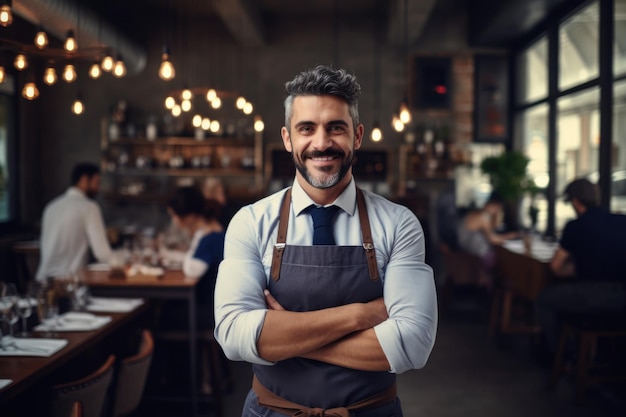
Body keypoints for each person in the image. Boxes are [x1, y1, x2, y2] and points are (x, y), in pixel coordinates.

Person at [214, 65, 437, 416]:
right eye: (307, 129)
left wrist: (284, 335)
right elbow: (233, 335)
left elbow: (412, 345)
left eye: (336, 127)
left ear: (357, 135)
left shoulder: (399, 224)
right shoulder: (251, 223)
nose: (321, 143)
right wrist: (359, 315)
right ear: (288, 139)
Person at [536, 178, 626, 356]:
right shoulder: (622, 221)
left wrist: (577, 268)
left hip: (593, 295)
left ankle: (563, 355)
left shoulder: (575, 226)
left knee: (544, 299)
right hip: (623, 297)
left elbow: (556, 267)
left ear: (576, 202)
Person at [162, 186, 227, 394]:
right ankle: (182, 380)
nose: (173, 221)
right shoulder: (212, 230)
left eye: (174, 216)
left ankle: (174, 385)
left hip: (208, 312)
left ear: (187, 216)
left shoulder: (208, 236)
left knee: (160, 315)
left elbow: (192, 268)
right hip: (214, 307)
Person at [36, 163, 112, 282]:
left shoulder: (51, 207)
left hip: (42, 281)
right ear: (84, 180)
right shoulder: (89, 207)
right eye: (97, 183)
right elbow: (102, 254)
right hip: (69, 283)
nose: (98, 188)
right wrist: (125, 259)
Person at [456, 192, 518, 271]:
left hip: (467, 252)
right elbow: (493, 239)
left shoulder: (476, 213)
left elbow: (495, 226)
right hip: (476, 254)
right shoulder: (483, 217)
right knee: (504, 264)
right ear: (497, 206)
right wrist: (509, 237)